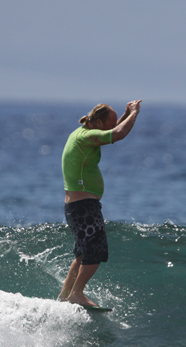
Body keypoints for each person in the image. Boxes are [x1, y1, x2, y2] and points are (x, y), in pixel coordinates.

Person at [58, 100, 142, 307]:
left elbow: (113, 130)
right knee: (95, 252)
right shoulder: (87, 137)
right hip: (84, 207)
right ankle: (77, 294)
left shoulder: (81, 133)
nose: (113, 126)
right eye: (109, 122)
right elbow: (119, 133)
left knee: (82, 254)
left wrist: (124, 115)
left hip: (76, 207)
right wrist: (134, 113)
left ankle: (64, 296)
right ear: (98, 122)